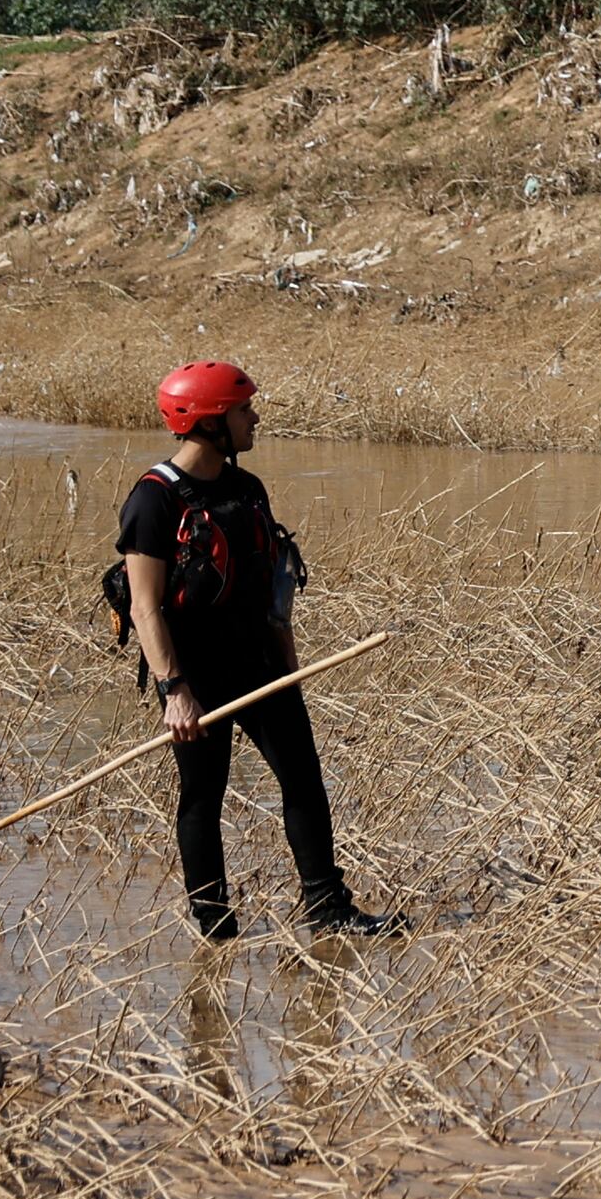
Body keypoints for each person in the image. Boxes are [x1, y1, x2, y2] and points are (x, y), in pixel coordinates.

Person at [114, 361, 394, 938]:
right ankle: (215, 927)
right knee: (202, 795)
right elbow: (144, 607)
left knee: (304, 779)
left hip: (260, 664)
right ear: (211, 422)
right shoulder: (153, 501)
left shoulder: (248, 488)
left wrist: (288, 666)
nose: (254, 417)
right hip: (194, 676)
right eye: (244, 411)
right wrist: (175, 691)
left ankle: (327, 910)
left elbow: (273, 588)